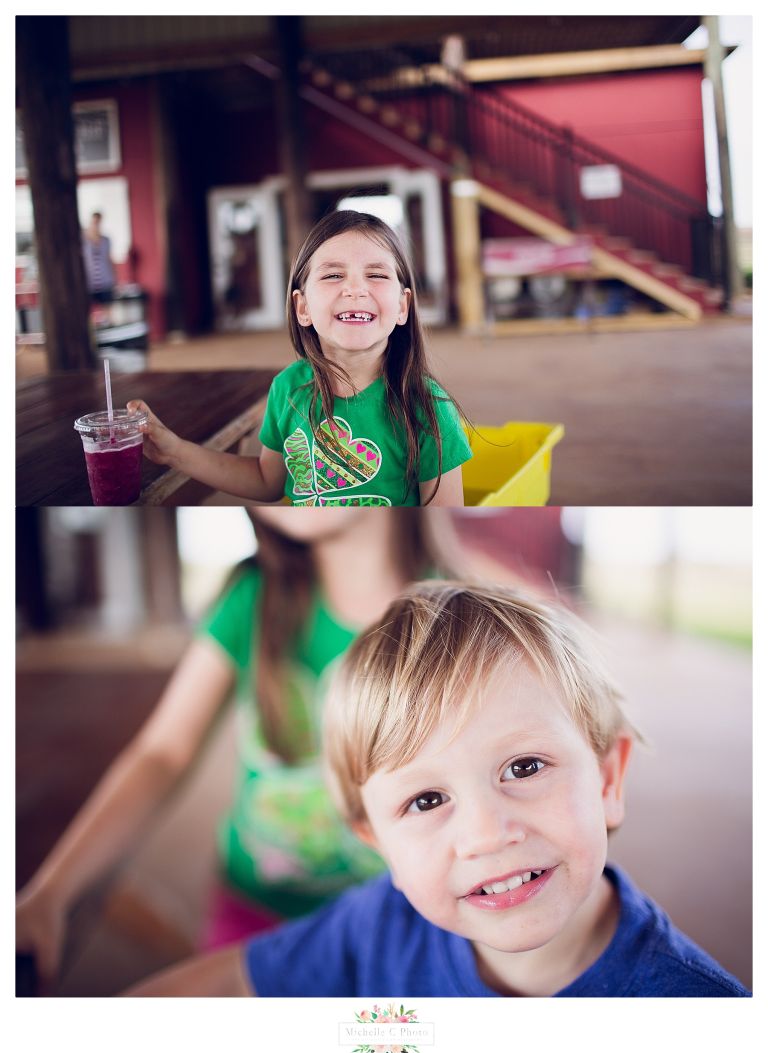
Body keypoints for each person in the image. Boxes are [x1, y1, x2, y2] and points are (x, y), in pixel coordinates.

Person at [125, 580, 750, 997]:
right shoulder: (376, 930)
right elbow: (224, 989)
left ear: (609, 777)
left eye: (525, 767)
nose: (485, 834)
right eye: (425, 801)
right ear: (377, 843)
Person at [15, 510, 461, 987]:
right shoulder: (253, 598)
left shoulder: (463, 612)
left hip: (406, 920)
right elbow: (163, 753)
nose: (292, 453)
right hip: (256, 912)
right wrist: (49, 894)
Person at [126, 211, 472, 506]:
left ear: (402, 307)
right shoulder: (288, 387)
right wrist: (175, 452)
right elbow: (266, 480)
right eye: (334, 275)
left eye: (377, 275)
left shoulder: (428, 406)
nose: (355, 288)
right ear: (302, 307)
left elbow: (445, 521)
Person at [82, 211, 116, 304]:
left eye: (99, 222)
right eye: (94, 222)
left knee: (107, 308)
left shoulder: (106, 240)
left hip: (105, 281)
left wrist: (115, 279)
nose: (96, 224)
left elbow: (109, 259)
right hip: (89, 283)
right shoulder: (83, 240)